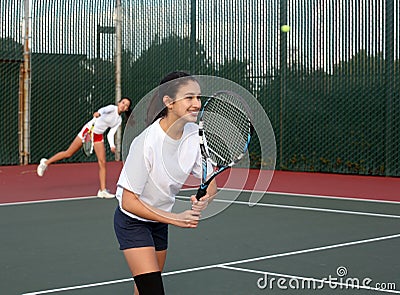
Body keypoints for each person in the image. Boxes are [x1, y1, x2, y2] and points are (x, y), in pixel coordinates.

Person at [113, 71, 217, 295]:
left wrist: (204, 200)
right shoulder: (147, 143)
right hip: (133, 221)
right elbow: (129, 201)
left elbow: (211, 184)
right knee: (152, 290)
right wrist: (175, 217)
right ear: (168, 102)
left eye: (198, 97)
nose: (197, 104)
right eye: (189, 98)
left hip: (159, 222)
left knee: (144, 289)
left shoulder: (196, 136)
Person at [36, 97, 132, 199]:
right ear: (119, 103)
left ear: (126, 109)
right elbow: (103, 110)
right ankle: (45, 163)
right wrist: (98, 113)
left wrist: (112, 145)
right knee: (69, 153)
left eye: (126, 105)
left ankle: (102, 190)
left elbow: (110, 134)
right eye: (123, 103)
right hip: (89, 131)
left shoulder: (118, 120)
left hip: (98, 136)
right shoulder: (112, 108)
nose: (123, 106)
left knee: (102, 162)